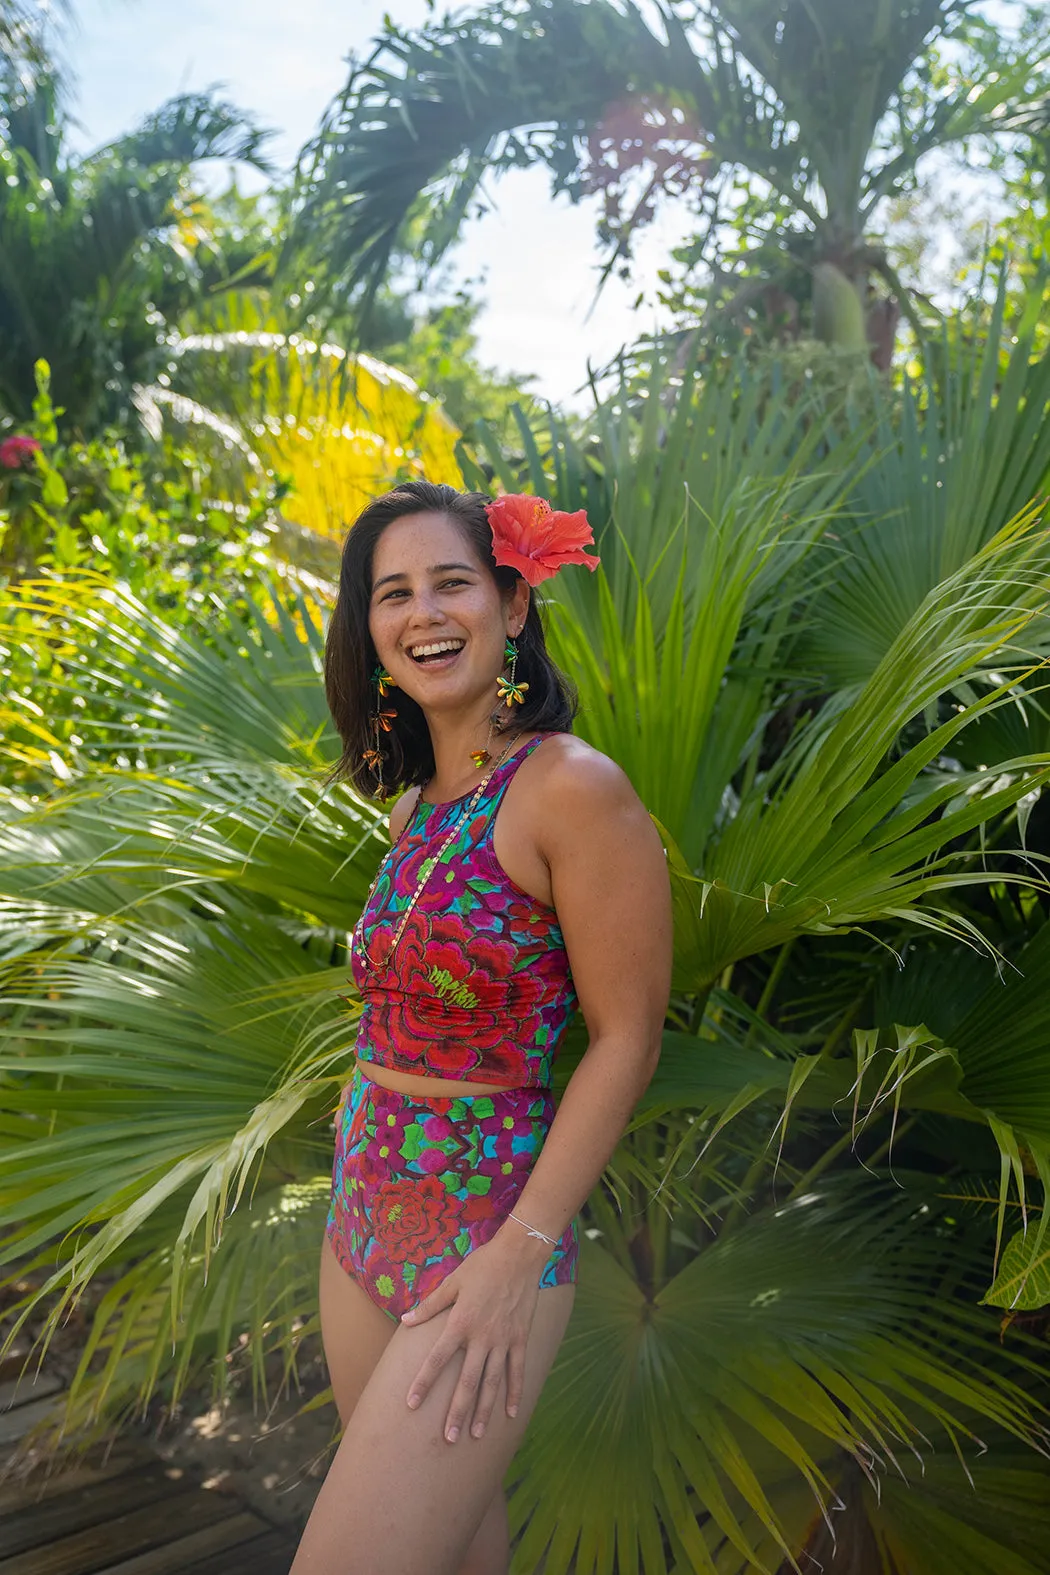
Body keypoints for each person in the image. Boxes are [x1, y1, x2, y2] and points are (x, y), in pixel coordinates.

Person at [290, 480, 672, 1575]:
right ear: (369, 631)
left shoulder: (571, 790)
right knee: (460, 1553)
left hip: (483, 1235)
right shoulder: (416, 806)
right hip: (362, 1210)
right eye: (392, 593)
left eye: (451, 582)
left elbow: (628, 1038)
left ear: (511, 602)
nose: (424, 613)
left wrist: (522, 1251)